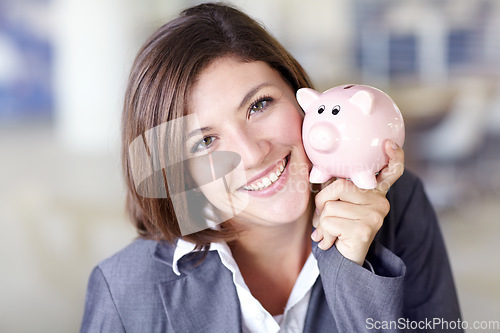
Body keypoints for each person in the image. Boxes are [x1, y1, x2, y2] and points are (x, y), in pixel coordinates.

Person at [81, 3, 462, 332]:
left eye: (259, 105)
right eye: (204, 142)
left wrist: (353, 271)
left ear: (300, 96)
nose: (251, 153)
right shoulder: (124, 290)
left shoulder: (400, 205)